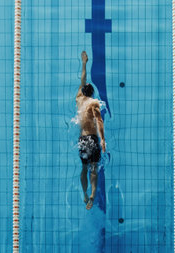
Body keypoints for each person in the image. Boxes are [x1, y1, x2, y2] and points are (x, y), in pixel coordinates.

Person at [76, 51, 106, 210]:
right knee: (94, 168)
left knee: (84, 168)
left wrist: (84, 63)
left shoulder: (79, 100)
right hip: (93, 139)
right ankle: (93, 194)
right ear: (92, 93)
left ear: (82, 93)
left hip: (82, 139)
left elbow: (83, 80)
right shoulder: (94, 102)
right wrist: (102, 139)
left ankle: (85, 193)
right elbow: (99, 121)